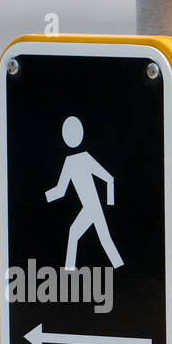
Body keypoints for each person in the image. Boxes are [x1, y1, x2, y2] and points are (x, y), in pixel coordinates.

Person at [45, 115, 124, 270]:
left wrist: (110, 200)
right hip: (88, 208)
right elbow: (61, 190)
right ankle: (69, 270)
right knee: (81, 234)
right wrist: (45, 196)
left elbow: (109, 178)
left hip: (94, 207)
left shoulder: (85, 158)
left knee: (102, 239)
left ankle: (118, 267)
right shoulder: (69, 162)